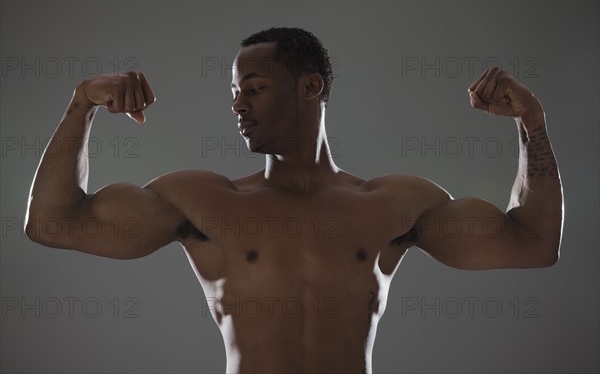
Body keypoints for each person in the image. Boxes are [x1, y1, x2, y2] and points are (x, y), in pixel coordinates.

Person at [25, 27, 563, 373]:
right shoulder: (201, 201)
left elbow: (532, 243)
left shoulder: (395, 203)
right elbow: (52, 224)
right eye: (234, 93)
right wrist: (81, 106)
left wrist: (531, 124)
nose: (238, 105)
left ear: (310, 88)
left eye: (253, 88)